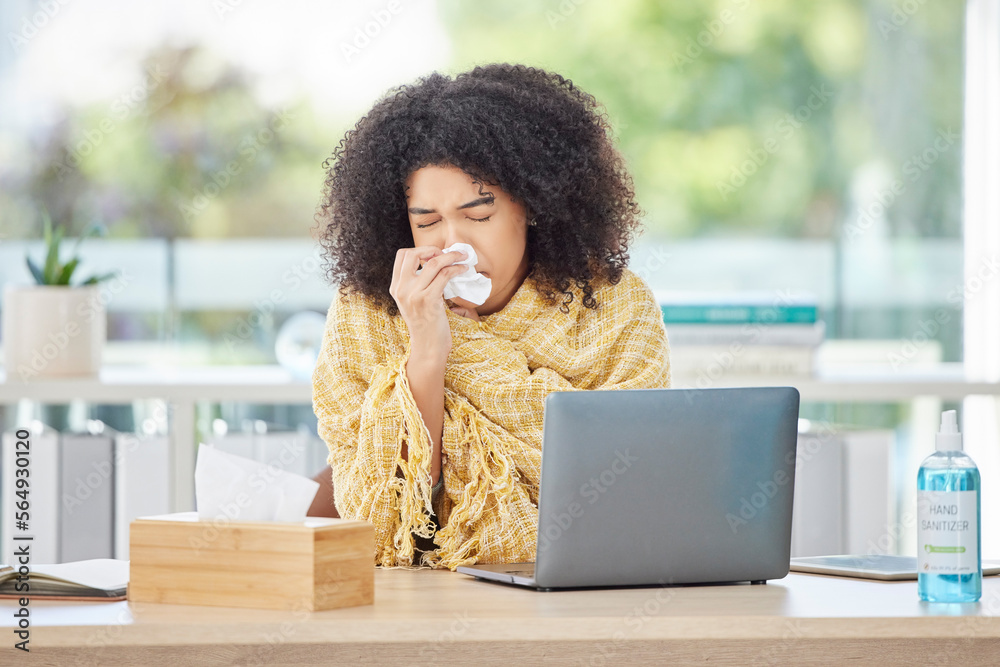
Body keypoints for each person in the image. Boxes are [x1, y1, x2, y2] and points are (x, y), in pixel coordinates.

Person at [310, 63, 671, 569]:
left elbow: (635, 490)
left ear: (534, 205)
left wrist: (468, 353)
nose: (453, 244)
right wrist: (427, 353)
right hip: (415, 600)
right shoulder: (366, 314)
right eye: (427, 221)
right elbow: (389, 528)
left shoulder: (617, 309)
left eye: (479, 215)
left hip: (585, 592)